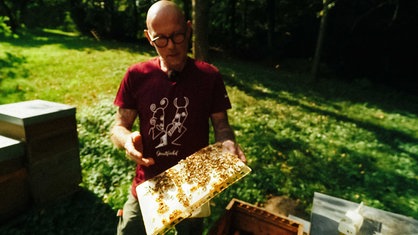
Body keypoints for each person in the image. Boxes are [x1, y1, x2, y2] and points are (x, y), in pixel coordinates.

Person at [110, 1, 246, 234]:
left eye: (177, 36)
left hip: (193, 184)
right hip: (148, 183)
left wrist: (227, 142)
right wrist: (126, 141)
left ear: (189, 29)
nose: (171, 46)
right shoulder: (136, 75)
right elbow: (119, 126)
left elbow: (222, 126)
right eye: (160, 39)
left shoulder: (209, 76)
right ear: (148, 37)